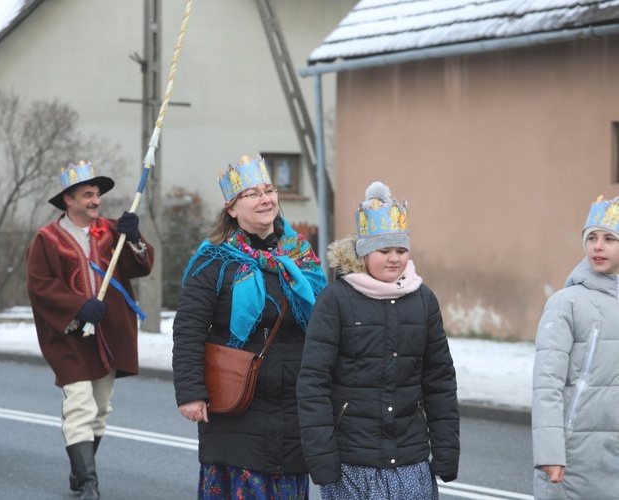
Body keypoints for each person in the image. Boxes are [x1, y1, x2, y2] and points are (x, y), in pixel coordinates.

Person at [172, 155, 327, 499]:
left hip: (295, 403)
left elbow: (325, 323)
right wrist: (191, 392)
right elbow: (189, 329)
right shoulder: (213, 260)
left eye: (269, 190)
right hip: (237, 401)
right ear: (232, 209)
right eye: (252, 194)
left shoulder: (301, 256)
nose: (265, 199)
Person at [296, 182, 459, 500]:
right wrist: (322, 458)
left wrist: (446, 450)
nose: (394, 258)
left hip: (410, 459)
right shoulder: (336, 300)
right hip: (353, 461)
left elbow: (439, 380)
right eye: (384, 251)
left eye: (401, 250)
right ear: (365, 252)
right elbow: (314, 382)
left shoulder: (423, 299)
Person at [26, 160, 154, 500]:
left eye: (97, 194)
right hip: (69, 334)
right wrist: (78, 306)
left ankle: (78, 469)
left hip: (110, 331)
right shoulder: (46, 239)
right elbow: (39, 286)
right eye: (87, 195)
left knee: (100, 408)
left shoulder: (113, 230)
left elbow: (141, 266)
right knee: (80, 404)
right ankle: (88, 484)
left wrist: (134, 237)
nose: (95, 201)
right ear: (68, 200)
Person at [531, 194, 619, 499]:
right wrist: (551, 454)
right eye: (592, 237)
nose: (598, 246)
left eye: (609, 238)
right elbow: (547, 384)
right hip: (574, 459)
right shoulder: (565, 304)